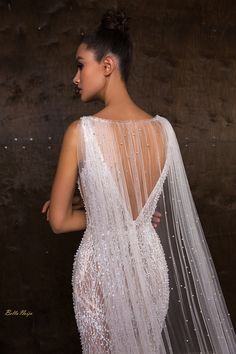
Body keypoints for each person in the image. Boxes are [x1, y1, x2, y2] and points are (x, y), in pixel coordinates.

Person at [41, 8, 236, 354]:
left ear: (107, 66)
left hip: (100, 268)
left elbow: (57, 221)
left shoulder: (80, 132)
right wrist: (123, 217)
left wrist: (96, 215)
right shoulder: (164, 131)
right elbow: (144, 210)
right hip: (149, 265)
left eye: (80, 64)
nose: (75, 77)